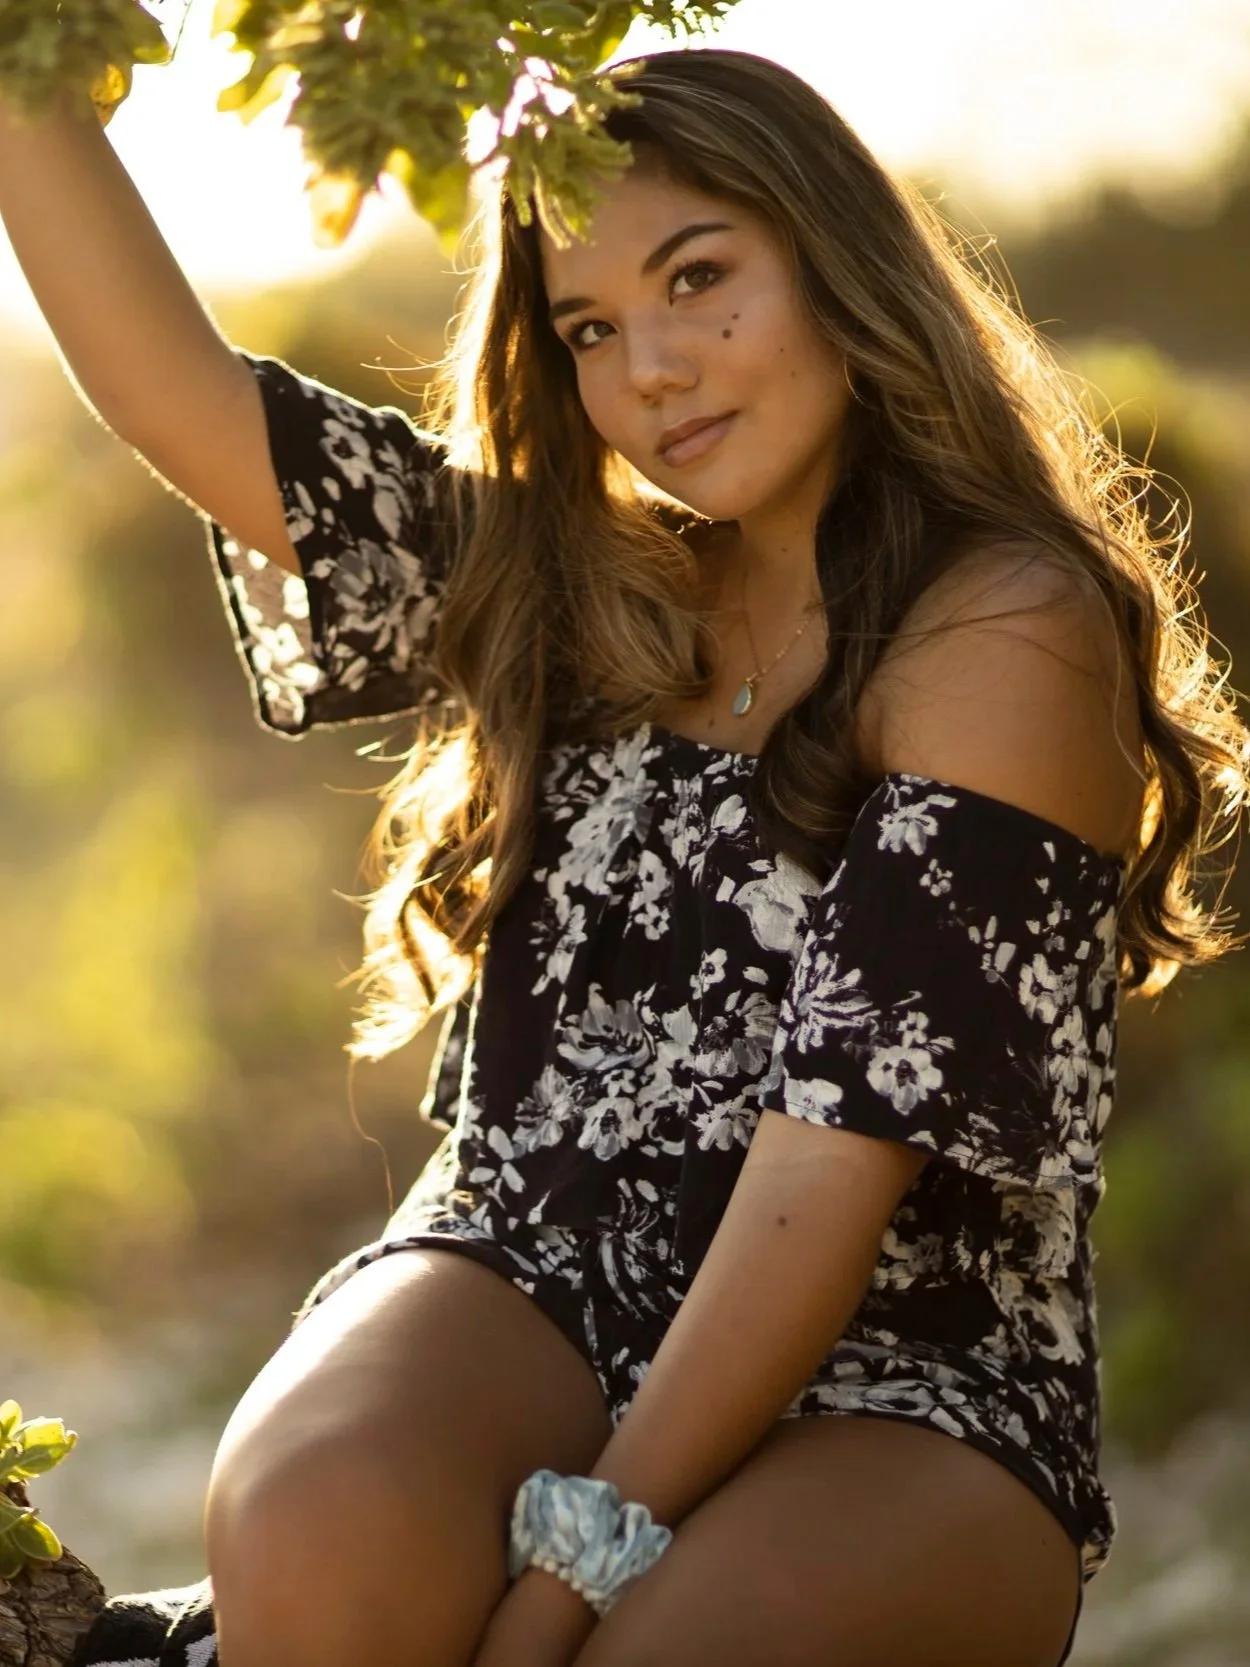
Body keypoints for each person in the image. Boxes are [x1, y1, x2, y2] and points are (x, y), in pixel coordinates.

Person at [2, 41, 1246, 1667]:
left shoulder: (1000, 624)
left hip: (899, 1359)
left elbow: (825, 1178)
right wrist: (26, 57)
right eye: (592, 329)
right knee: (316, 1523)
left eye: (698, 278)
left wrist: (559, 1585)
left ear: (834, 264)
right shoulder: (579, 585)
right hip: (531, 1247)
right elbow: (186, 395)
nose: (652, 368)